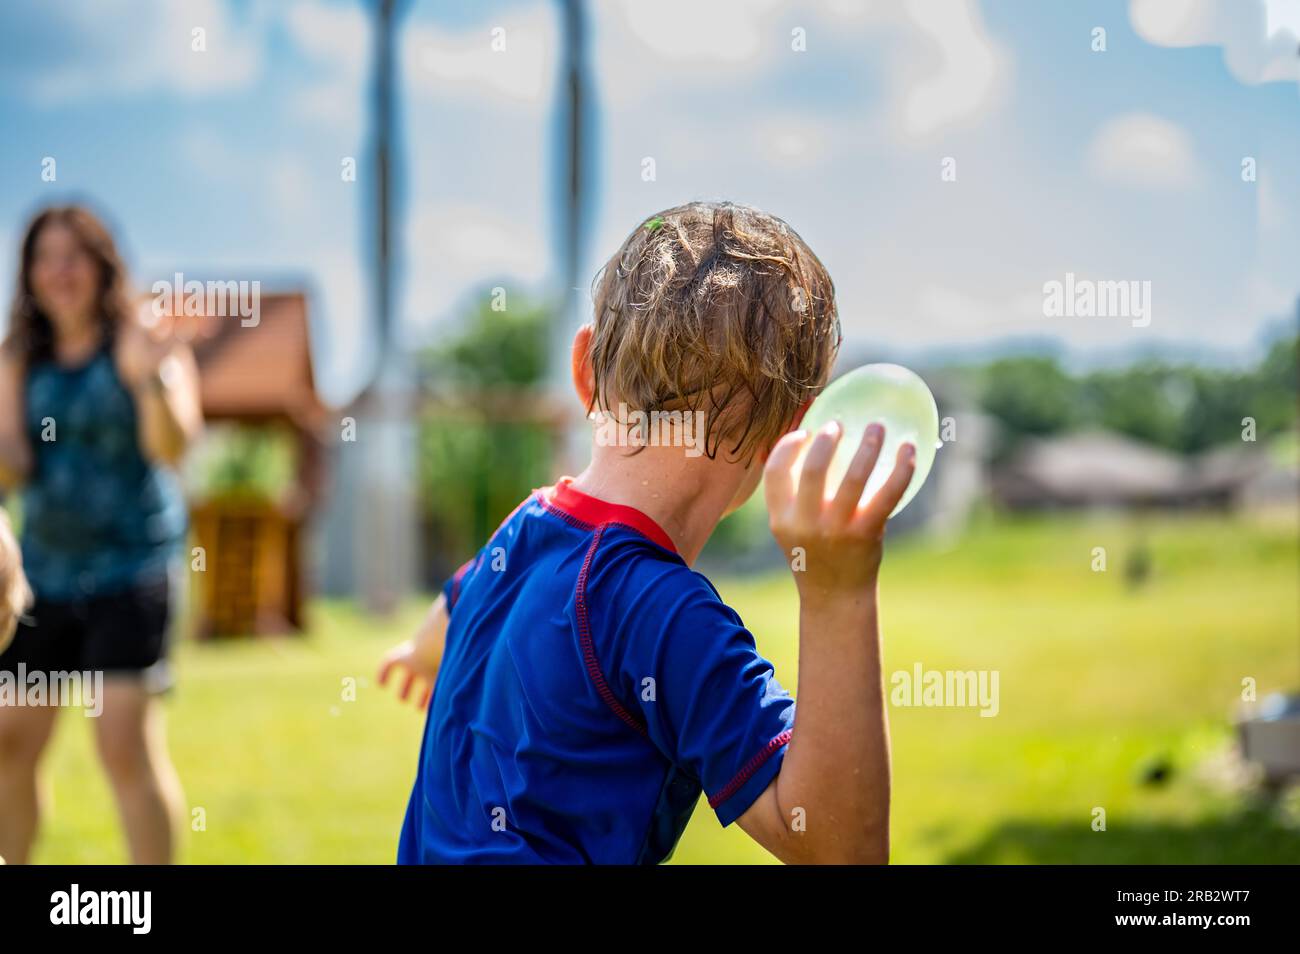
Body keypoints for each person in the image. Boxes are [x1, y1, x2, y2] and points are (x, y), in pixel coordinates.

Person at [380, 201, 915, 864]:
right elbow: (838, 847)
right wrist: (839, 597)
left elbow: (456, 603)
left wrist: (419, 651)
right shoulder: (666, 617)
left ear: (584, 370)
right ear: (792, 435)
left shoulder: (527, 525)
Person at [0, 205, 203, 864]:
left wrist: (148, 375)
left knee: (122, 744)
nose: (59, 272)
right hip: (44, 576)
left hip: (131, 568)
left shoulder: (141, 339)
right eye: (45, 257)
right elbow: (11, 466)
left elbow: (173, 446)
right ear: (28, 274)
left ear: (101, 266)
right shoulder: (18, 359)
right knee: (8, 740)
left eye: (74, 256)